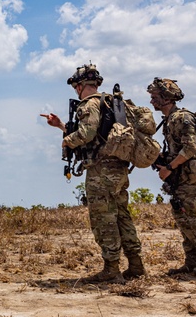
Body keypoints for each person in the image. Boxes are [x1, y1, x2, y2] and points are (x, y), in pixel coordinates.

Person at [41, 64, 144, 283]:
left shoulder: (89, 104)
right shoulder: (113, 103)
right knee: (123, 217)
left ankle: (111, 269)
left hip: (100, 171)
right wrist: (61, 125)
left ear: (79, 86)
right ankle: (136, 265)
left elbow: (87, 133)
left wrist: (67, 140)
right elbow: (99, 134)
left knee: (103, 219)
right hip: (119, 168)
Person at [147, 78, 196, 276]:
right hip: (182, 175)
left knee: (186, 217)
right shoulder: (169, 120)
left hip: (189, 177)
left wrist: (169, 168)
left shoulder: (181, 118)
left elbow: (190, 148)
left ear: (167, 98)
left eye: (155, 97)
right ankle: (193, 261)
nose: (152, 101)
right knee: (182, 216)